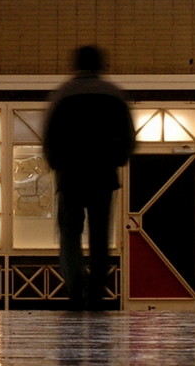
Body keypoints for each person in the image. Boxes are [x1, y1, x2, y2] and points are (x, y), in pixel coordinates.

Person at [43, 45, 136, 310]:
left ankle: (75, 285)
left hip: (70, 176)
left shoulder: (62, 95)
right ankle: (96, 292)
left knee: (70, 233)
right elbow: (129, 136)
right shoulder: (114, 95)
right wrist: (116, 160)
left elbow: (49, 138)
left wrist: (57, 164)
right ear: (100, 65)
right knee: (99, 236)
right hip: (102, 176)